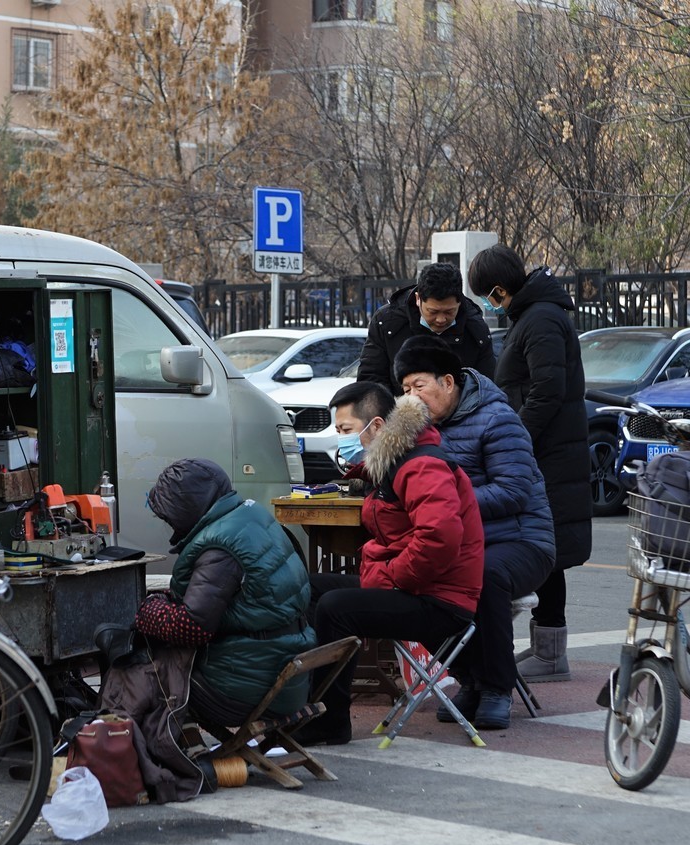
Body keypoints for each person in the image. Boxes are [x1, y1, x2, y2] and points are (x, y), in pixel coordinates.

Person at [297, 382, 484, 746]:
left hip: (441, 600)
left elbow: (439, 540)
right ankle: (306, 703)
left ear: (378, 425)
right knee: (309, 588)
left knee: (335, 607)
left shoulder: (422, 466)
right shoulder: (396, 463)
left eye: (346, 430)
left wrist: (390, 577)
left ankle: (331, 721)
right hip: (417, 587)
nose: (342, 439)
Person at [394, 335, 555, 729]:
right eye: (405, 389)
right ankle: (469, 676)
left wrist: (448, 504)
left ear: (448, 382)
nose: (411, 397)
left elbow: (514, 491)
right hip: (461, 542)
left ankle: (497, 686)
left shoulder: (497, 418)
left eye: (419, 386)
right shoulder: (418, 432)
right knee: (412, 575)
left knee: (485, 575)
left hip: (520, 540)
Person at [468, 244, 592, 682]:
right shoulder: (534, 315)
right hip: (545, 451)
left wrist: (514, 440)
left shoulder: (539, 318)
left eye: (486, 296)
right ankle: (546, 648)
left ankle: (551, 652)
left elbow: (546, 390)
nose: (488, 304)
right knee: (544, 545)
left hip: (548, 454)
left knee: (545, 547)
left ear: (498, 289)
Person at [136, 458, 316, 725]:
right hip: (284, 677)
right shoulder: (249, 516)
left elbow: (192, 627)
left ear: (184, 510)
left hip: (241, 690)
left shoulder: (219, 548)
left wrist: (148, 610)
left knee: (137, 672)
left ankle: (115, 741)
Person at [357, 261, 496, 394]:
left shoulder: (475, 329)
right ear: (418, 299)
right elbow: (370, 380)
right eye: (433, 312)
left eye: (449, 312)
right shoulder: (387, 323)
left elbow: (486, 388)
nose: (441, 319)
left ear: (460, 302)